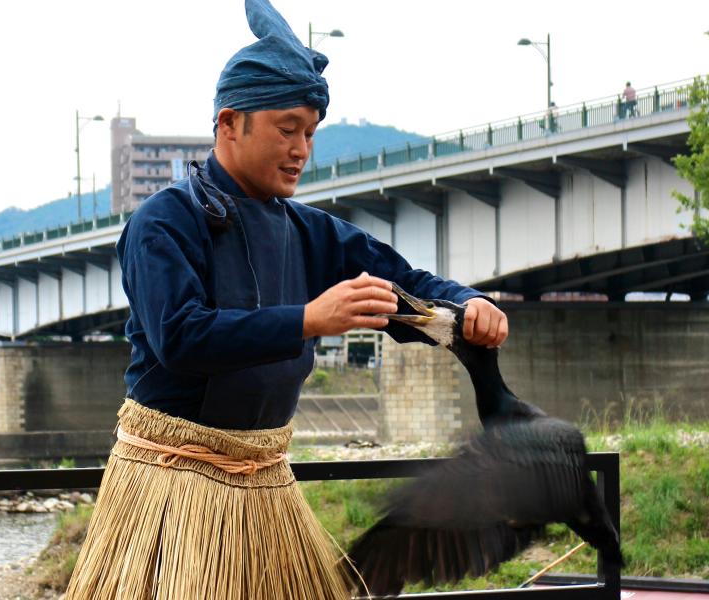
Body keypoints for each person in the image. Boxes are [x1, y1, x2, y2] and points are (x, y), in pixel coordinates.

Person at [66, 0, 508, 598]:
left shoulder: (307, 230)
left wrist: (467, 305)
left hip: (265, 479)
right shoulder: (162, 222)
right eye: (286, 128)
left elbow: (400, 284)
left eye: (309, 133)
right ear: (229, 124)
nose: (301, 148)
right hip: (171, 486)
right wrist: (308, 319)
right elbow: (180, 337)